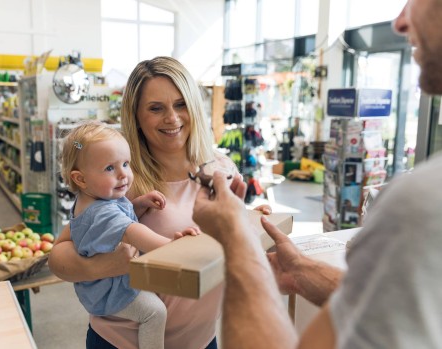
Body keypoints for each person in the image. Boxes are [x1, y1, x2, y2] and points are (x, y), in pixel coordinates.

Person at [192, 1, 442, 348]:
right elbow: (392, 308)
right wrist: (301, 272)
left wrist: (237, 237)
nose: (400, 21)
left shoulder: (423, 203)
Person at [49, 56, 272, 349]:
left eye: (180, 104)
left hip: (202, 339)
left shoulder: (221, 169)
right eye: (156, 108)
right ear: (136, 117)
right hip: (123, 341)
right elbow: (59, 257)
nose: (172, 118)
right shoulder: (120, 180)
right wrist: (108, 266)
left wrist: (253, 223)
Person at [60, 121, 199, 349]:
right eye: (109, 168)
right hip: (111, 293)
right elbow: (135, 232)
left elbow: (112, 224)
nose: (123, 174)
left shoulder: (93, 198)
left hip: (98, 286)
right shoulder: (101, 212)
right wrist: (173, 244)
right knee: (154, 312)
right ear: (81, 179)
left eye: (125, 164)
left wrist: (137, 205)